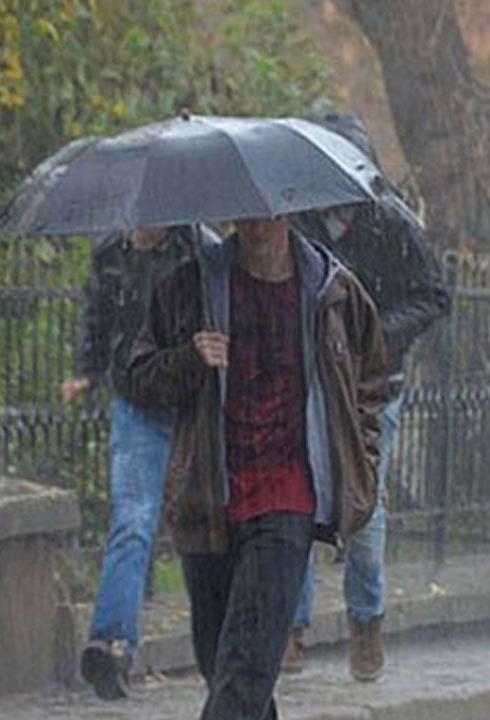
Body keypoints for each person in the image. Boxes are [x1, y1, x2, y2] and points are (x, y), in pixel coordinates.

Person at [123, 216, 388, 719]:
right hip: (209, 498)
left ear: (289, 210)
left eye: (269, 212)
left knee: (245, 669)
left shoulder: (334, 290)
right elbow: (138, 377)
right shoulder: (191, 286)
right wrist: (189, 358)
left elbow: (372, 379)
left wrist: (362, 457)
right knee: (224, 664)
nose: (259, 223)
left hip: (288, 496)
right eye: (246, 212)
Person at [284, 112, 451, 680]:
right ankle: (291, 626)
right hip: (311, 381)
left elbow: (434, 297)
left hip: (374, 386)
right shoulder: (299, 224)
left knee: (364, 503)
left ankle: (366, 619)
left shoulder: (392, 222)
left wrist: (376, 335)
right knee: (300, 497)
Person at [63, 225, 195, 700]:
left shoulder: (200, 251)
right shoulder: (111, 253)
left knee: (207, 528)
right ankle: (113, 643)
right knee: (133, 519)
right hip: (137, 402)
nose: (141, 229)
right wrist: (87, 370)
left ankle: (236, 638)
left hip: (192, 405)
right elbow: (99, 316)